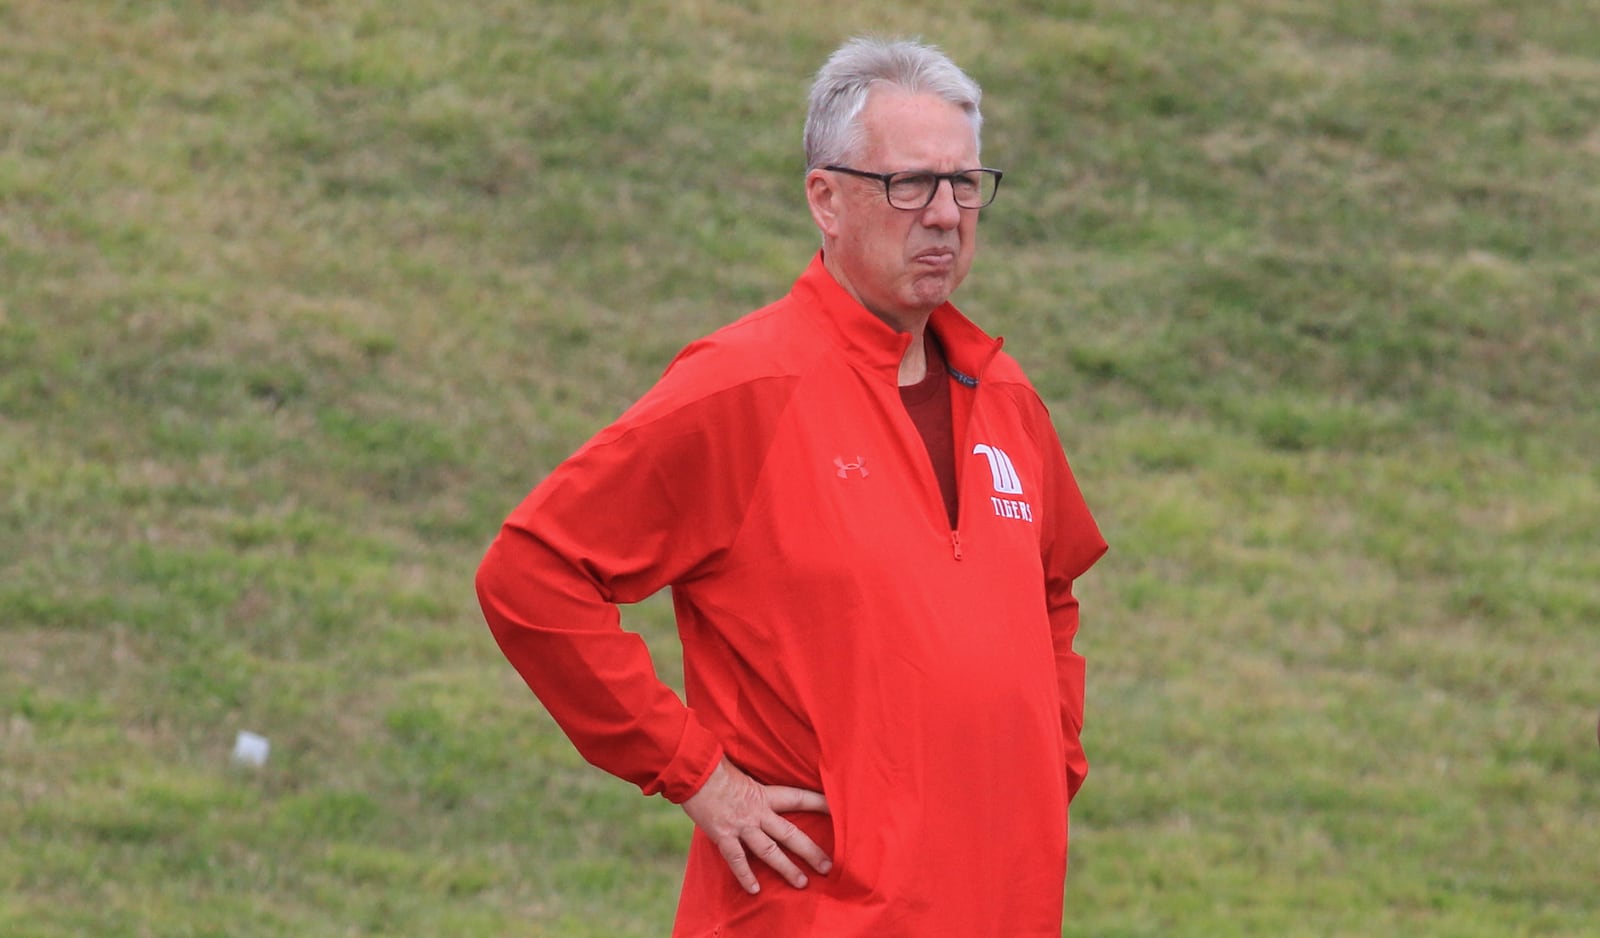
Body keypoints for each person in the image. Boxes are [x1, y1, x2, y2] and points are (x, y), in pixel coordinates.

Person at [475, 35, 1107, 937]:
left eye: (965, 184)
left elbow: (1051, 591)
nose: (944, 214)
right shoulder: (745, 389)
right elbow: (531, 576)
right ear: (826, 199)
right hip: (812, 917)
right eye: (909, 184)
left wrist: (1050, 756)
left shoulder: (1006, 398)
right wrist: (696, 773)